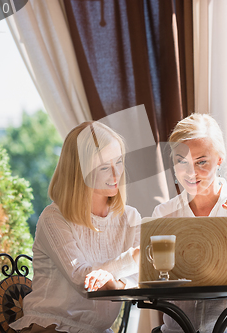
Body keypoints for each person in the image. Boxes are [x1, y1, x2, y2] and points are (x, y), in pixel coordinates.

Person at [10, 121, 141, 333]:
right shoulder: (54, 218)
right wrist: (124, 267)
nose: (117, 175)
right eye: (105, 167)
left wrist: (116, 282)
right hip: (53, 326)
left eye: (119, 162)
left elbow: (142, 273)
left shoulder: (130, 217)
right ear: (79, 171)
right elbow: (83, 278)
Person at [152, 113, 227, 333]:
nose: (191, 173)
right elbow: (153, 280)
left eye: (201, 162)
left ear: (219, 159)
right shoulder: (164, 214)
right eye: (182, 162)